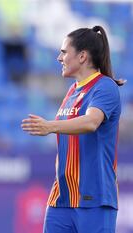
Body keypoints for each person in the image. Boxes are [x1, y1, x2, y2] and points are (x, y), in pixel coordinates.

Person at [21, 25, 123, 233]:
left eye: (64, 52)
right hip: (62, 198)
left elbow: (91, 122)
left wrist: (50, 126)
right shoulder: (72, 90)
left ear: (83, 56)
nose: (59, 58)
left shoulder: (105, 87)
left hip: (93, 197)